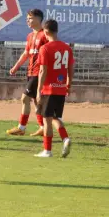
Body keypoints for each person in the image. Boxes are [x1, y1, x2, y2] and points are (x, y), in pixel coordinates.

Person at [35, 19, 73, 158]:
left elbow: (42, 71)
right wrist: (69, 84)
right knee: (55, 117)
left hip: (48, 90)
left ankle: (47, 150)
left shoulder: (44, 48)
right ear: (57, 30)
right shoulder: (67, 48)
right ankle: (65, 138)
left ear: (45, 32)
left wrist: (39, 90)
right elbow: (70, 68)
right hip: (61, 89)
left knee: (46, 119)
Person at [7, 9, 47, 137]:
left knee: (25, 98)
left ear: (38, 19)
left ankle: (21, 127)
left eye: (30, 18)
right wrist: (16, 66)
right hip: (30, 71)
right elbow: (26, 53)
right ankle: (42, 127)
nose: (27, 20)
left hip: (38, 72)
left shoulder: (44, 35)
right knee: (36, 102)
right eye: (27, 18)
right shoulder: (30, 36)